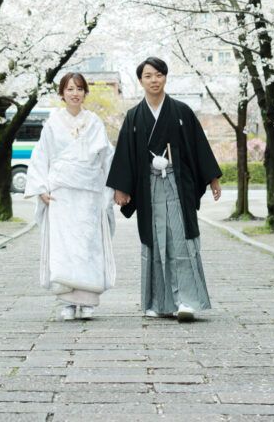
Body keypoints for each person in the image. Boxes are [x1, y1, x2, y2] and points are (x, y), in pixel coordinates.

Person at [107, 56, 222, 322]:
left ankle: (186, 301)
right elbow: (124, 154)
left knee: (180, 239)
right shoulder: (134, 116)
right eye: (148, 76)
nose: (154, 80)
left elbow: (199, 146)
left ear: (166, 77)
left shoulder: (181, 112)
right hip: (148, 187)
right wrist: (121, 188)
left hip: (177, 184)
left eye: (158, 75)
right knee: (154, 240)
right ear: (140, 81)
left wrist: (212, 178)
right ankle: (158, 302)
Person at [24, 71, 116, 321]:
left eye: (79, 89)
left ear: (85, 93)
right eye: (70, 89)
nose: (75, 93)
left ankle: (87, 301)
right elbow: (41, 155)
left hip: (88, 193)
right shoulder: (53, 122)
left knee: (87, 244)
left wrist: (111, 189)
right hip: (61, 193)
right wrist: (41, 188)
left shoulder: (94, 122)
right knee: (64, 246)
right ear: (62, 94)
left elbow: (107, 157)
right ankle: (66, 301)